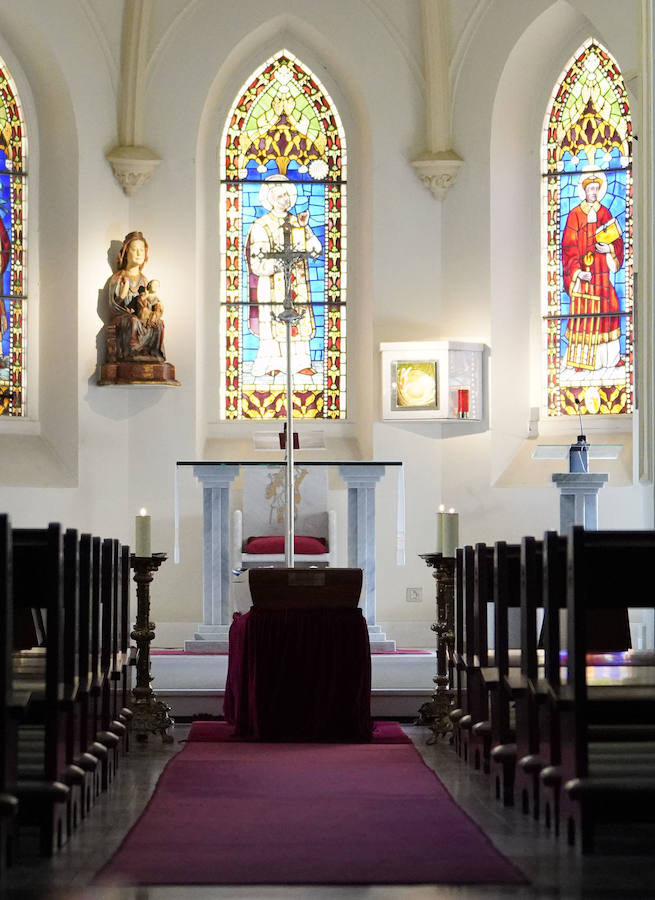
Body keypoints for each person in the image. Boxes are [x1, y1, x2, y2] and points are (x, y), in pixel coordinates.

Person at [245, 175, 321, 378]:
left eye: (287, 195)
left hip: (297, 282)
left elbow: (315, 248)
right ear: (270, 199)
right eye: (280, 196)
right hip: (271, 283)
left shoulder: (298, 222)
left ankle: (301, 363)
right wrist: (277, 264)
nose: (285, 199)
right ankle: (272, 364)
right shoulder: (261, 225)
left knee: (299, 320)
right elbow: (257, 261)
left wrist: (304, 227)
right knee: (273, 323)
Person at [561, 172, 624, 372]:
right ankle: (581, 361)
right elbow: (568, 246)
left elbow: (616, 239)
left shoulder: (605, 213)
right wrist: (578, 272)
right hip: (585, 278)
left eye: (597, 189)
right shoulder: (574, 215)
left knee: (611, 306)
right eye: (590, 189)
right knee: (583, 315)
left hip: (602, 275)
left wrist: (609, 250)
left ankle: (610, 359)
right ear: (584, 191)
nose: (594, 193)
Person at [107, 232, 166, 362]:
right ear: (126, 253)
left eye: (141, 250)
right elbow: (113, 306)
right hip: (124, 317)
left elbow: (149, 299)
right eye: (135, 250)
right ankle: (132, 353)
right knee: (133, 321)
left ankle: (153, 353)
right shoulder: (118, 278)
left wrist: (154, 310)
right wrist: (123, 292)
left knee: (158, 323)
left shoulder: (144, 280)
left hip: (141, 316)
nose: (139, 254)